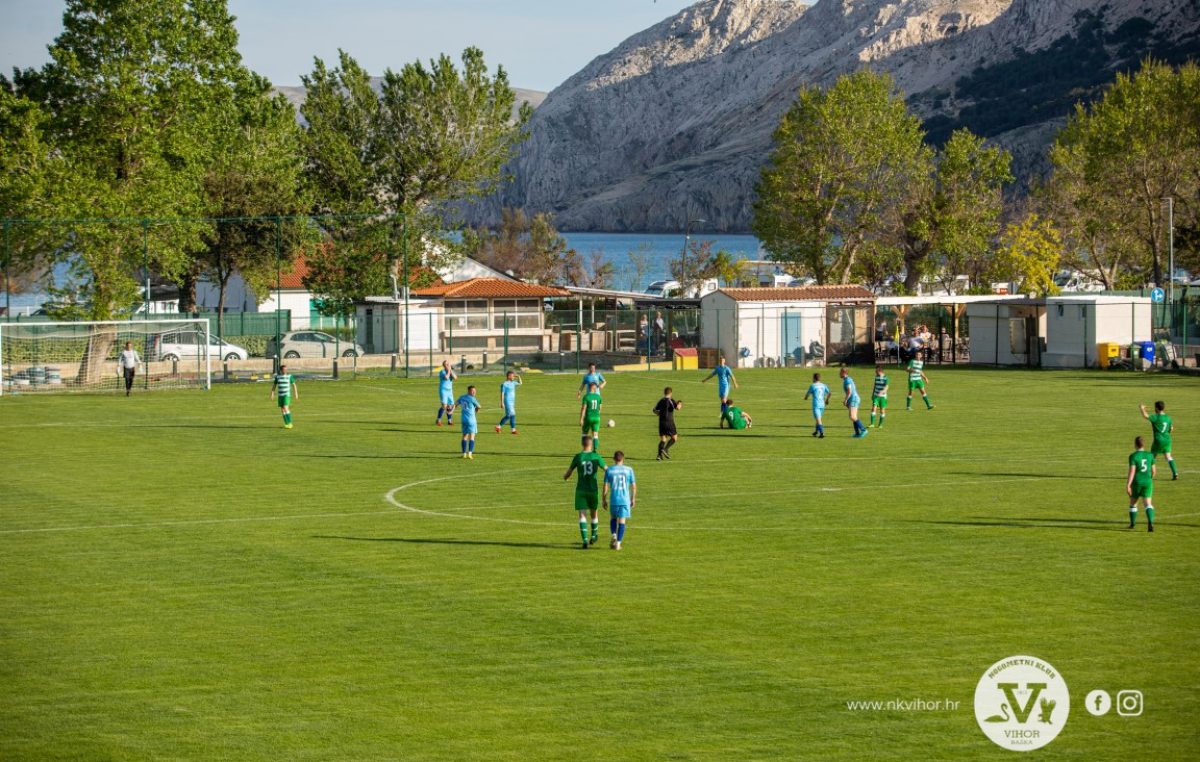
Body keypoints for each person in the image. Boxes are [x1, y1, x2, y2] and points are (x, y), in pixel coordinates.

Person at [563, 435, 607, 548]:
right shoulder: (596, 457)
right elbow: (607, 469)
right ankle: (593, 536)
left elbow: (568, 473)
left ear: (582, 444)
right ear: (591, 444)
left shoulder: (578, 457)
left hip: (581, 490)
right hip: (593, 490)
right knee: (594, 514)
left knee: (582, 515)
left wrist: (566, 477)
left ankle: (585, 540)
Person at [603, 450, 636, 550]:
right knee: (622, 521)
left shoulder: (609, 470)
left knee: (613, 518)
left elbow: (605, 486)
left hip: (614, 499)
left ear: (614, 459)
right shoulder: (629, 470)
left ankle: (613, 534)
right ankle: (618, 544)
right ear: (623, 459)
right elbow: (633, 486)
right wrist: (633, 498)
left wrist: (603, 499)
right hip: (625, 500)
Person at [1140, 401, 1178, 480]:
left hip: (1158, 440)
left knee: (1152, 457)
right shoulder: (1168, 417)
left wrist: (1142, 408)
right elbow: (1171, 428)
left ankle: (1148, 474)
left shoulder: (1156, 417)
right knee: (1168, 457)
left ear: (1157, 408)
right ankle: (1175, 473)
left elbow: (1146, 416)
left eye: (1155, 407)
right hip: (1167, 440)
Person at [1127, 435, 1156, 531]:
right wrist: (1149, 479)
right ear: (1144, 444)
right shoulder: (1150, 455)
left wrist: (1128, 485)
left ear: (1135, 444)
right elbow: (1154, 471)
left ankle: (1132, 524)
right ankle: (1151, 522)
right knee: (1148, 504)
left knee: (1133, 504)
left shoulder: (1133, 456)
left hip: (1137, 482)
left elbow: (1132, 472)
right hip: (1148, 482)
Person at [702, 356, 739, 424]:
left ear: (724, 361)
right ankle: (725, 412)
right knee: (722, 401)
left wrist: (735, 384)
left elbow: (732, 376)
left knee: (724, 400)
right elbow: (712, 374)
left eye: (723, 360)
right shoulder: (718, 368)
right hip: (721, 386)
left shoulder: (727, 368)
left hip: (726, 386)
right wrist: (705, 379)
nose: (721, 361)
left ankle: (725, 413)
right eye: (720, 360)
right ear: (719, 361)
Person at [653, 386, 683, 460]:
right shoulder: (670, 400)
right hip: (669, 422)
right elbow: (677, 408)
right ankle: (665, 449)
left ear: (664, 393)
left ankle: (659, 456)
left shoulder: (661, 400)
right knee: (674, 438)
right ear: (671, 393)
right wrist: (680, 404)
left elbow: (654, 410)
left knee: (663, 439)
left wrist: (659, 413)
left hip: (661, 422)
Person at [840, 367, 868, 438]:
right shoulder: (848, 379)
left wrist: (845, 400)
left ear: (844, 373)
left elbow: (849, 391)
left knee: (852, 416)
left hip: (854, 399)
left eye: (840, 372)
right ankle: (857, 433)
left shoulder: (847, 380)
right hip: (853, 399)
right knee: (854, 417)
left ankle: (864, 430)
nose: (839, 374)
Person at [455, 385, 482, 459]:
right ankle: (470, 453)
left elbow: (455, 404)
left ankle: (464, 454)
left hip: (464, 419)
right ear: (468, 391)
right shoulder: (472, 399)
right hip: (471, 420)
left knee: (464, 436)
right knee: (472, 436)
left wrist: (451, 410)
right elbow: (479, 406)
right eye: (472, 391)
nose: (474, 392)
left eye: (475, 391)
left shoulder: (462, 397)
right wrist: (476, 409)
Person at [803, 372, 831, 438]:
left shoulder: (813, 386)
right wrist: (827, 400)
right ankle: (816, 431)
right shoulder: (823, 385)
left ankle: (822, 433)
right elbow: (829, 393)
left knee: (818, 419)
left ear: (814, 378)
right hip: (822, 405)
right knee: (818, 419)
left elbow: (807, 394)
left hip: (816, 405)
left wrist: (806, 398)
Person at [271, 364, 298, 429]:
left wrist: (296, 393)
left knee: (286, 408)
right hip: (280, 395)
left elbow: (294, 385)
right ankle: (286, 423)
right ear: (281, 370)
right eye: (283, 370)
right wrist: (272, 393)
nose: (285, 371)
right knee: (282, 410)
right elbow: (274, 386)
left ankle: (290, 423)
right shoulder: (277, 377)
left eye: (286, 369)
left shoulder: (289, 376)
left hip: (287, 395)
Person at [580, 381, 604, 446]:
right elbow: (600, 409)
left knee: (584, 433)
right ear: (594, 388)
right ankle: (595, 450)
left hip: (588, 417)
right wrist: (597, 415)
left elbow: (583, 408)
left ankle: (585, 449)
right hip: (597, 418)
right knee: (595, 434)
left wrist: (581, 419)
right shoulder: (599, 397)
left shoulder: (586, 397)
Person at [435, 360, 457, 426]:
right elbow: (446, 377)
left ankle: (449, 421)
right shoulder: (442, 372)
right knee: (444, 406)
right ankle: (438, 420)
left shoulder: (451, 371)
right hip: (443, 390)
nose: (448, 365)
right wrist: (449, 371)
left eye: (448, 364)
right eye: (446, 365)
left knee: (450, 405)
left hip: (449, 391)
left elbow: (455, 378)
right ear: (444, 366)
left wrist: (451, 371)